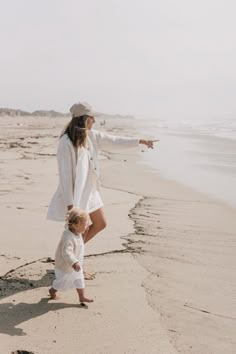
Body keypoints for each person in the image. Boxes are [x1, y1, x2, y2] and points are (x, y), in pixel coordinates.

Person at [47, 102, 158, 245]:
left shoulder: (90, 135)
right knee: (82, 229)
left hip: (91, 190)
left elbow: (114, 140)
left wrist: (140, 141)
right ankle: (72, 261)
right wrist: (71, 205)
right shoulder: (66, 142)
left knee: (100, 223)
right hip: (78, 194)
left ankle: (69, 256)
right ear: (84, 118)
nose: (94, 121)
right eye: (92, 117)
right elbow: (65, 177)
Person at [49, 207, 93, 304]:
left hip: (76, 266)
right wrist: (74, 262)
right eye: (85, 224)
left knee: (79, 279)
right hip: (66, 266)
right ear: (76, 225)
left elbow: (80, 243)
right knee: (62, 282)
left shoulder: (77, 232)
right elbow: (66, 252)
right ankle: (52, 291)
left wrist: (84, 231)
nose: (87, 226)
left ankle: (82, 297)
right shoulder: (68, 237)